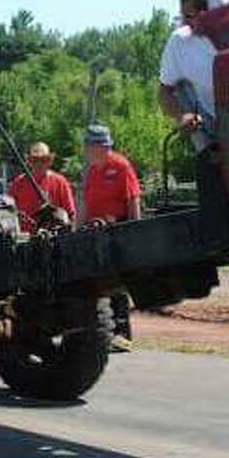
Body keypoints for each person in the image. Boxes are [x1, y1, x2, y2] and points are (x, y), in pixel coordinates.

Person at [81, 124, 141, 350]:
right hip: (95, 233)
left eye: (89, 146)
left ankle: (122, 333)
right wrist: (78, 230)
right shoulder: (92, 170)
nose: (86, 150)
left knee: (117, 282)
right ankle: (98, 330)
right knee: (97, 283)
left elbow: (133, 199)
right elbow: (85, 203)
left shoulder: (120, 166)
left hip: (117, 230)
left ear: (100, 147)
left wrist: (134, 232)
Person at [158, 0, 218, 135]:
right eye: (183, 16)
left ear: (209, 12)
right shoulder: (179, 42)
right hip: (211, 123)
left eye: (190, 16)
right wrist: (182, 116)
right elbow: (164, 91)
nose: (185, 22)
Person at [7, 141, 77, 234]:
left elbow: (71, 213)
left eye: (44, 160)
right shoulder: (19, 183)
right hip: (25, 240)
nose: (39, 164)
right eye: (35, 160)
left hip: (53, 239)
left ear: (49, 161)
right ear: (29, 162)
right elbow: (8, 212)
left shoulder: (60, 182)